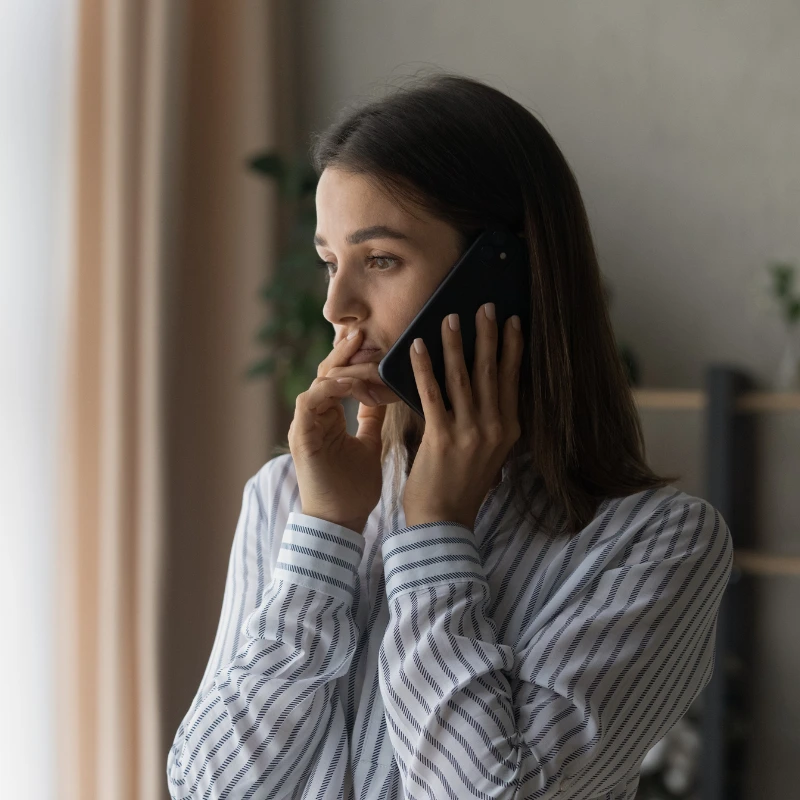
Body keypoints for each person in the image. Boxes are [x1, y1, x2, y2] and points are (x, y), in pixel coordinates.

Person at [166, 72, 733, 800]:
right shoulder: (289, 499)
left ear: (502, 277)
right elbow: (210, 789)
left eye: (380, 260)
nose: (336, 305)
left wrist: (435, 535)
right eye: (330, 262)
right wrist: (324, 535)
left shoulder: (657, 545)